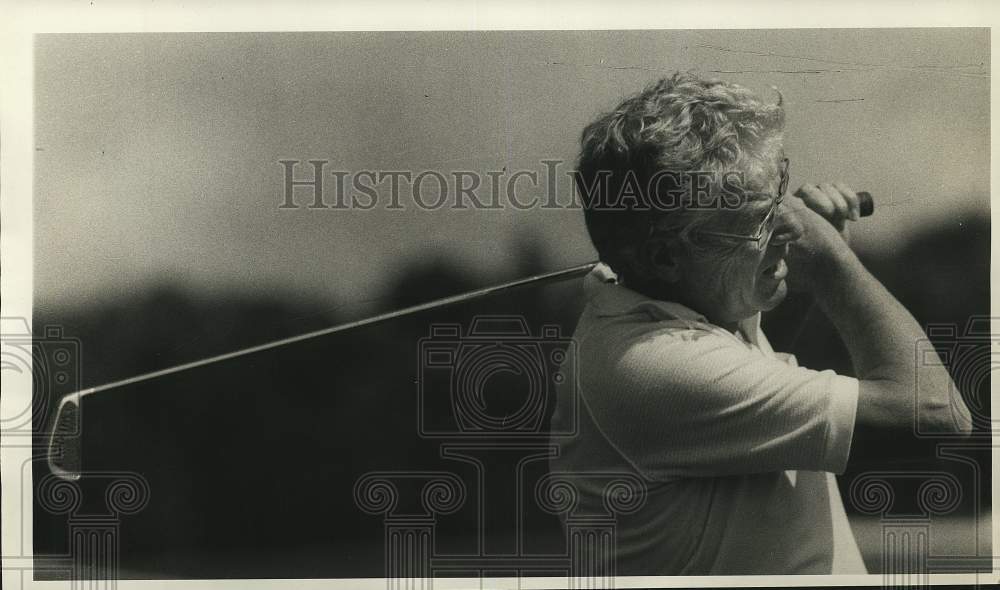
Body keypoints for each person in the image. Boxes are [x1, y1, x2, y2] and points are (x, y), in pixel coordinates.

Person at [547, 72, 973, 575]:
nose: (790, 224)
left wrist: (793, 257)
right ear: (664, 257)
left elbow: (758, 380)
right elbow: (935, 418)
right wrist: (834, 267)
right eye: (759, 219)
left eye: (780, 195)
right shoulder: (649, 364)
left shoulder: (672, 305)